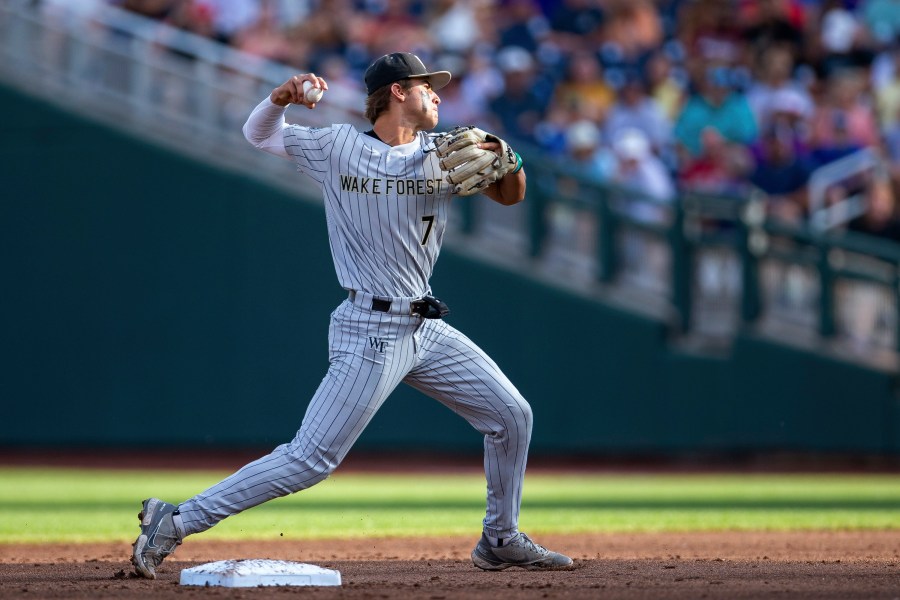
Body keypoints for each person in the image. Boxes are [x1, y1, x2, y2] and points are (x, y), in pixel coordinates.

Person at [129, 51, 574, 579]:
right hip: (369, 328)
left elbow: (509, 196)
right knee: (310, 459)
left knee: (511, 416)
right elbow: (259, 135)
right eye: (426, 85)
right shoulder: (337, 145)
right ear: (398, 92)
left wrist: (511, 161)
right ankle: (174, 522)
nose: (437, 94)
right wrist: (279, 98)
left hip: (425, 327)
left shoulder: (443, 151)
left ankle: (500, 538)